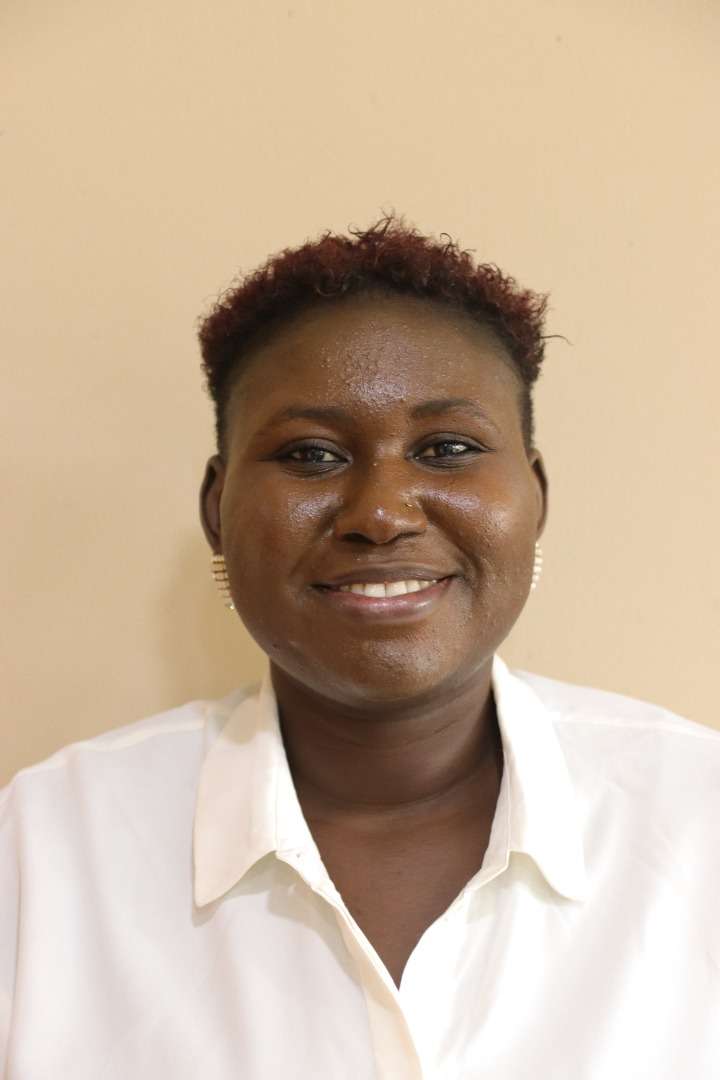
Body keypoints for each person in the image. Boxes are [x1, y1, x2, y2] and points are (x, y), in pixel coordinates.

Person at [2, 216, 718, 1079]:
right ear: (216, 511)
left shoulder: (698, 821)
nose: (381, 513)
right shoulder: (39, 854)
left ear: (535, 498)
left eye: (447, 449)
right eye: (311, 454)